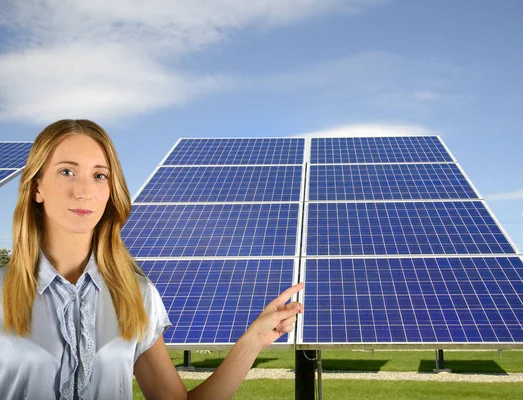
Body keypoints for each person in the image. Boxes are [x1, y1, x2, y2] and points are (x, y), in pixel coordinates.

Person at [0, 119, 304, 400]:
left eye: (99, 175)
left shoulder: (136, 295)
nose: (84, 191)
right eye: (67, 171)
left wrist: (253, 340)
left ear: (110, 189)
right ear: (37, 186)